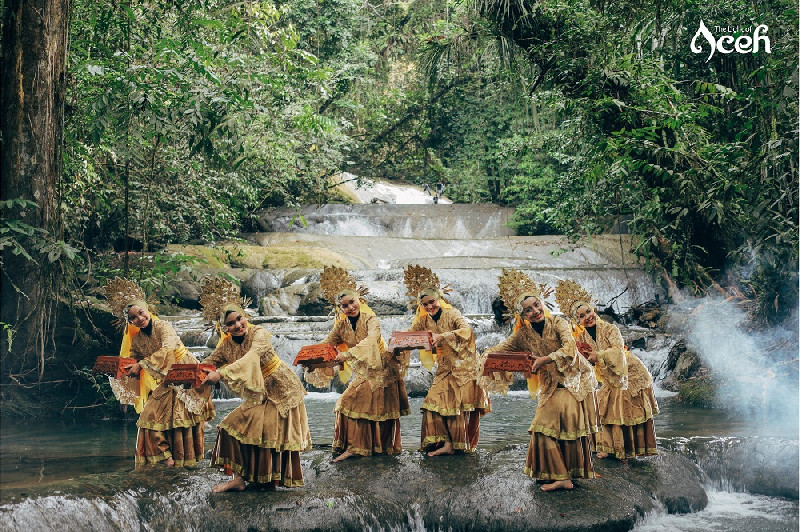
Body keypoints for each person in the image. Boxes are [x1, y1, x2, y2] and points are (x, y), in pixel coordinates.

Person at [485, 269, 598, 491]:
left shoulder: (559, 323)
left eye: (536, 305)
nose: (535, 311)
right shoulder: (522, 335)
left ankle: (563, 477)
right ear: (522, 315)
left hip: (573, 382)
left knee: (543, 427)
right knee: (549, 429)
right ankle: (559, 474)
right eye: (528, 310)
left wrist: (545, 359)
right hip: (550, 387)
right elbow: (500, 349)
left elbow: (569, 349)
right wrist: (484, 358)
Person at [198, 277, 311, 492]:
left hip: (281, 390)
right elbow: (208, 363)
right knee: (230, 427)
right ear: (224, 328)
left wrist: (220, 374)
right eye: (230, 324)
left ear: (245, 316)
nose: (237, 325)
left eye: (239, 319)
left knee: (267, 432)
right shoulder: (226, 346)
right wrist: (189, 374)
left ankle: (269, 479)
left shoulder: (260, 334)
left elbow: (251, 358)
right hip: (258, 392)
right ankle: (238, 480)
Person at [102, 277, 214, 469]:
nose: (139, 319)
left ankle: (183, 459)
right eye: (133, 318)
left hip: (184, 372)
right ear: (130, 322)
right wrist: (125, 369)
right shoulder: (137, 340)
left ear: (147, 310)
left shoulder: (163, 326)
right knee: (149, 415)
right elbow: (133, 358)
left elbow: (168, 347)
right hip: (165, 377)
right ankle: (167, 457)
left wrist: (142, 364)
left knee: (182, 417)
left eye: (141, 313)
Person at [307, 266, 410, 462]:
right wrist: (314, 361)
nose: (350, 307)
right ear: (340, 308)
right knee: (353, 406)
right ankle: (362, 447)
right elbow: (327, 346)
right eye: (344, 306)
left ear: (359, 301)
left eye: (352, 302)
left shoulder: (371, 319)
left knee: (353, 404)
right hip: (363, 370)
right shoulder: (341, 325)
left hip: (381, 368)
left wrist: (347, 354)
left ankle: (358, 448)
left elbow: (371, 341)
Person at [555, 279, 658, 460]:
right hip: (611, 377)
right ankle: (608, 447)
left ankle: (625, 449)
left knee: (620, 408)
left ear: (593, 310)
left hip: (629, 373)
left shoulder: (611, 328)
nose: (587, 316)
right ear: (576, 320)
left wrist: (599, 356)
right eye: (581, 316)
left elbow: (618, 351)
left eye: (588, 311)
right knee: (599, 407)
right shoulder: (582, 338)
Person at [402, 265, 490, 456]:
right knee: (431, 403)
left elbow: (467, 331)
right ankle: (446, 443)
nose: (429, 307)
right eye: (425, 304)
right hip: (445, 366)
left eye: (431, 302)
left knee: (455, 406)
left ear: (439, 299)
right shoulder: (423, 319)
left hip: (464, 366)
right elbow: (410, 334)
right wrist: (395, 345)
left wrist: (443, 336)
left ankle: (454, 445)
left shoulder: (453, 313)